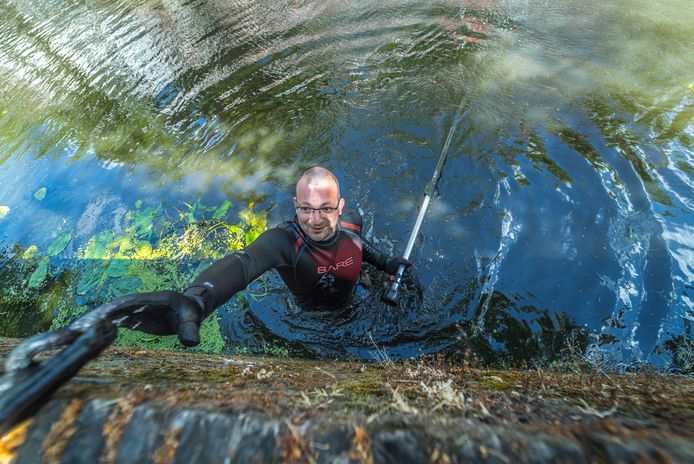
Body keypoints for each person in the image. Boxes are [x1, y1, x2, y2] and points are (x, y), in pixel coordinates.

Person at [123, 166, 412, 347]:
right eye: (306, 209)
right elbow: (244, 262)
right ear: (295, 205)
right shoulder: (283, 242)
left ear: (340, 206)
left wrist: (387, 263)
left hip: (357, 298)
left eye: (326, 208)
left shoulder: (351, 223)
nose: (316, 220)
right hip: (315, 320)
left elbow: (362, 246)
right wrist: (199, 299)